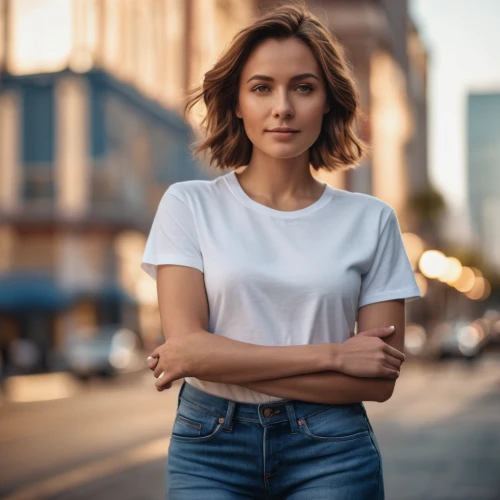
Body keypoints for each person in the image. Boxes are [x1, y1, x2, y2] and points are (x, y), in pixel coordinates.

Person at [141, 3, 421, 499]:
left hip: (331, 449)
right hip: (210, 447)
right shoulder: (189, 205)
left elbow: (377, 381)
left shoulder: (371, 220)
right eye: (262, 87)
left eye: (304, 87)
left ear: (329, 102)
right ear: (236, 103)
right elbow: (187, 350)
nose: (283, 107)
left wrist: (216, 357)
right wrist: (335, 355)